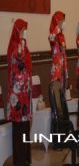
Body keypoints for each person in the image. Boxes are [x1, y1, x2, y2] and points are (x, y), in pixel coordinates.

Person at [7, 19, 32, 166]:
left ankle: (26, 158)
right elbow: (19, 64)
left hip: (24, 94)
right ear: (17, 31)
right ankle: (20, 161)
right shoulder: (15, 47)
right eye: (22, 30)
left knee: (25, 127)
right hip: (17, 95)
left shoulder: (23, 45)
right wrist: (22, 43)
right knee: (18, 129)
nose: (24, 33)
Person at [48, 11, 68, 92]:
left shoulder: (62, 35)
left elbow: (63, 50)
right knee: (56, 92)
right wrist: (57, 28)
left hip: (63, 67)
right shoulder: (53, 35)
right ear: (57, 21)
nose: (64, 23)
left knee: (63, 93)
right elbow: (50, 38)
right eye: (62, 20)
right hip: (56, 69)